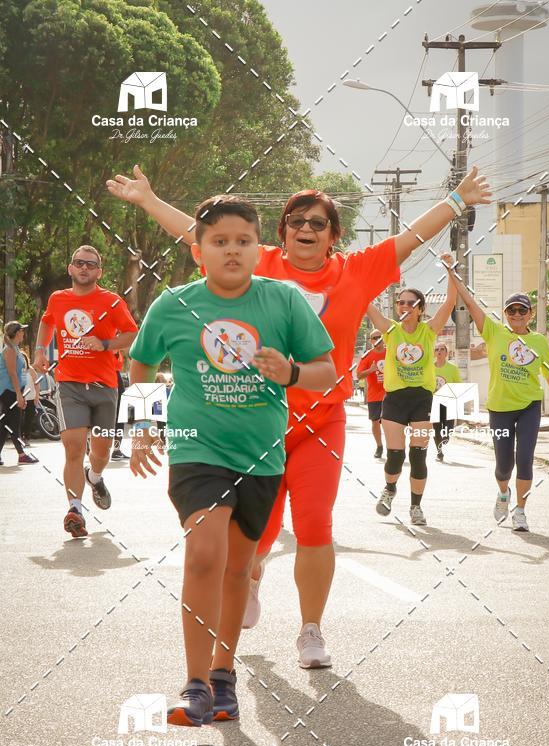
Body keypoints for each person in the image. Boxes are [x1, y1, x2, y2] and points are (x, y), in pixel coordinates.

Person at [107, 163, 491, 667]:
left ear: (334, 235)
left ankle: (311, 630)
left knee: (313, 524)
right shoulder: (259, 262)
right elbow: (198, 233)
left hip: (321, 422)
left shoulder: (357, 271)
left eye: (318, 223)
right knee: (259, 535)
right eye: (296, 221)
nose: (306, 229)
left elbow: (411, 238)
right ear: (282, 232)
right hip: (251, 426)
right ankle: (250, 577)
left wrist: (458, 200)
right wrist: (148, 200)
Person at [127, 195, 336, 727]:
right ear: (198, 250)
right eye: (219, 241)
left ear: (258, 249)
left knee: (239, 568)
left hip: (261, 457)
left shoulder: (283, 301)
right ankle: (195, 684)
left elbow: (327, 372)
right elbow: (142, 364)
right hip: (197, 451)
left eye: (243, 240)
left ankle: (223, 677)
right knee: (204, 555)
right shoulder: (173, 305)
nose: (232, 250)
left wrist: (290, 373)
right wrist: (144, 426)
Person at [450, 282, 549, 532]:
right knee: (503, 466)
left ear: (531, 314)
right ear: (505, 313)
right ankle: (503, 493)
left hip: (529, 405)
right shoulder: (494, 332)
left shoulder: (539, 341)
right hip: (500, 408)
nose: (517, 314)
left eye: (522, 310)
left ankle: (520, 511)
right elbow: (471, 304)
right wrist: (451, 273)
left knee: (525, 458)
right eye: (512, 310)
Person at [34, 246, 138, 538]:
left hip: (105, 385)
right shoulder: (58, 299)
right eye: (79, 263)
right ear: (70, 268)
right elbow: (47, 321)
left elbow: (132, 334)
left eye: (90, 265)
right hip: (70, 384)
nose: (84, 268)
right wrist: (40, 350)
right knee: (74, 447)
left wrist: (105, 344)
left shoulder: (111, 302)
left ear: (99, 272)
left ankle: (95, 476)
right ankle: (75, 510)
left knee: (101, 452)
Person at [368, 255, 460, 525]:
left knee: (418, 455)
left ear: (420, 309)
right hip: (395, 400)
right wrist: (366, 272)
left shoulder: (429, 331)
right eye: (401, 302)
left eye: (411, 303)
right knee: (395, 456)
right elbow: (367, 304)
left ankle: (416, 507)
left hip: (422, 399)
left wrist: (450, 269)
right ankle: (389, 489)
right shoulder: (390, 330)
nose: (405, 306)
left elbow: (450, 302)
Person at [0, 321, 39, 465]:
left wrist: (20, 393)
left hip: (13, 390)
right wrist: (18, 394)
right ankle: (22, 455)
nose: (24, 333)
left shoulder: (15, 349)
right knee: (14, 422)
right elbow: (12, 373)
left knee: (5, 423)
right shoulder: (9, 350)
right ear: (17, 333)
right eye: (22, 331)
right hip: (9, 391)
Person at [356, 329, 386, 458]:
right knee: (375, 422)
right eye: (374, 338)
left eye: (379, 337)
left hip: (390, 394)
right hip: (374, 395)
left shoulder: (390, 353)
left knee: (390, 422)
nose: (377, 340)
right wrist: (371, 370)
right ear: (370, 341)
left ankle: (393, 447)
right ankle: (379, 446)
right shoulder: (367, 356)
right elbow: (359, 375)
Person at [432, 343, 462, 462]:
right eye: (436, 349)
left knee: (448, 426)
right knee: (436, 429)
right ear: (434, 353)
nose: (439, 351)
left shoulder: (452, 368)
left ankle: (447, 436)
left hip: (449, 402)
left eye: (442, 349)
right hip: (434, 402)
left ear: (446, 353)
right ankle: (439, 453)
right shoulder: (430, 368)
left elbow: (458, 385)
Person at [111, 351, 128, 461]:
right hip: (112, 377)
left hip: (108, 376)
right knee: (119, 415)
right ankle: (116, 450)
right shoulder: (112, 346)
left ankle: (116, 450)